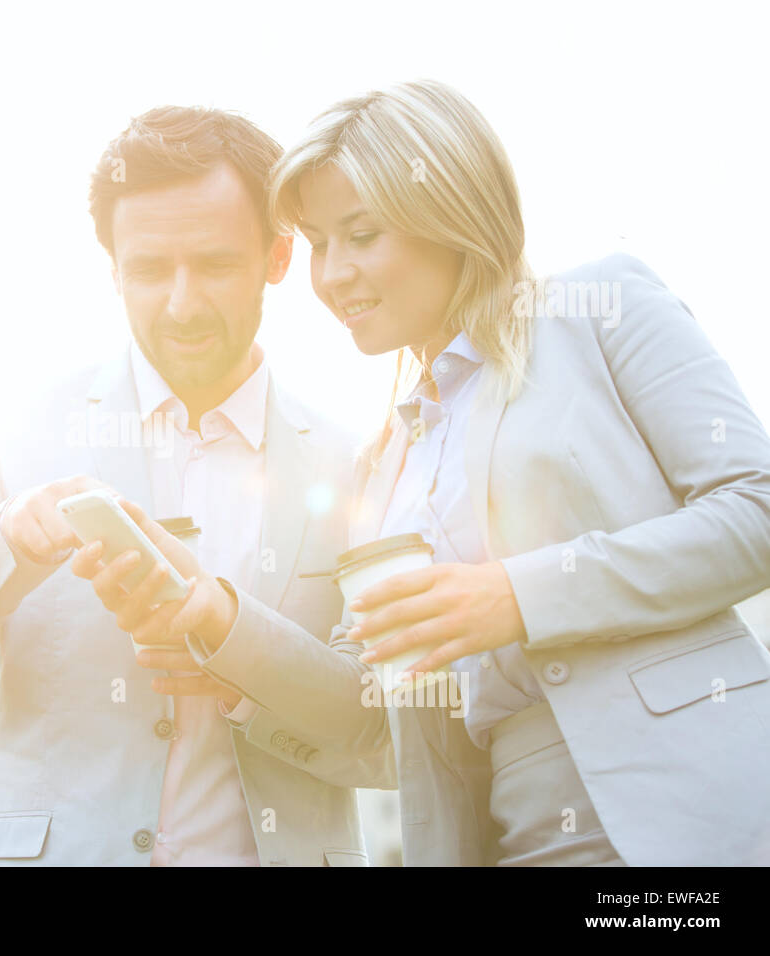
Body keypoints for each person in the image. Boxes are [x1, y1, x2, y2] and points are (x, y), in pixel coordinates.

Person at [0, 105, 393, 866]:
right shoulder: (15, 428)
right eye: (148, 270)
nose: (182, 304)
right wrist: (6, 542)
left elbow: (388, 738)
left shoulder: (361, 463)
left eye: (214, 265)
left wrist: (238, 661)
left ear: (278, 256)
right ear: (112, 270)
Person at [258, 78, 770, 865]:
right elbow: (371, 711)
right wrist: (216, 638)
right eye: (318, 244)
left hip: (686, 812)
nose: (331, 275)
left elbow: (756, 508)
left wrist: (519, 596)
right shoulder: (381, 464)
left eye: (360, 235)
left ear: (450, 212)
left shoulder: (598, 308)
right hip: (507, 834)